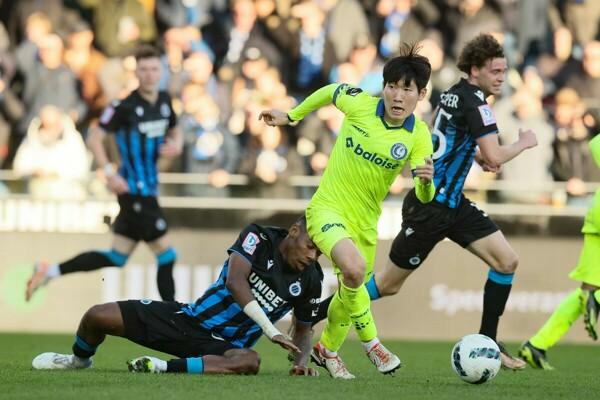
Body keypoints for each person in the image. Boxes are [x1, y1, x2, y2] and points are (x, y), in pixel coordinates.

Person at [311, 33, 538, 370]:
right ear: (474, 70)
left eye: (504, 71)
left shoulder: (452, 94)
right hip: (429, 206)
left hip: (453, 203)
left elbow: (444, 140)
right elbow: (495, 155)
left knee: (506, 261)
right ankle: (311, 316)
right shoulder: (476, 101)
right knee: (386, 285)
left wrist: (472, 155)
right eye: (496, 71)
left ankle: (490, 342)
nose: (502, 77)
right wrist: (523, 143)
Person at [259, 44, 435, 379]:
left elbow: (425, 196)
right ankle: (373, 344)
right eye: (392, 86)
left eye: (406, 89)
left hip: (365, 222)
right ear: (383, 87)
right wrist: (292, 115)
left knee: (351, 287)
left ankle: (327, 349)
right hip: (327, 209)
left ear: (421, 94)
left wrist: (426, 183)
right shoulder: (360, 104)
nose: (397, 96)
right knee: (353, 271)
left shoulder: (419, 136)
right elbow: (330, 91)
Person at [31, 216, 323, 376]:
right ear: (294, 231)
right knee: (97, 316)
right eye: (310, 246)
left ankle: (160, 367)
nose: (313, 256)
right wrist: (270, 330)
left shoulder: (311, 278)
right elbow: (236, 282)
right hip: (188, 320)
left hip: (225, 348)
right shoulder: (258, 237)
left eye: (320, 252)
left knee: (249, 361)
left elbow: (303, 328)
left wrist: (301, 363)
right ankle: (78, 361)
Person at [25, 45, 183, 302]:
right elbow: (95, 137)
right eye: (144, 69)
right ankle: (174, 318)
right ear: (136, 73)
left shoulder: (165, 101)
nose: (150, 75)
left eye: (155, 69)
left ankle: (49, 271)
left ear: (162, 71)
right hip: (133, 190)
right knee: (167, 255)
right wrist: (109, 172)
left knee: (117, 257)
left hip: (150, 187)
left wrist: (177, 144)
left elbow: (176, 130)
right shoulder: (123, 106)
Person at [519, 134, 600, 370]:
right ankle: (597, 300)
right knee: (592, 294)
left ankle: (536, 345)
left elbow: (595, 143)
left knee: (586, 291)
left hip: (596, 216)